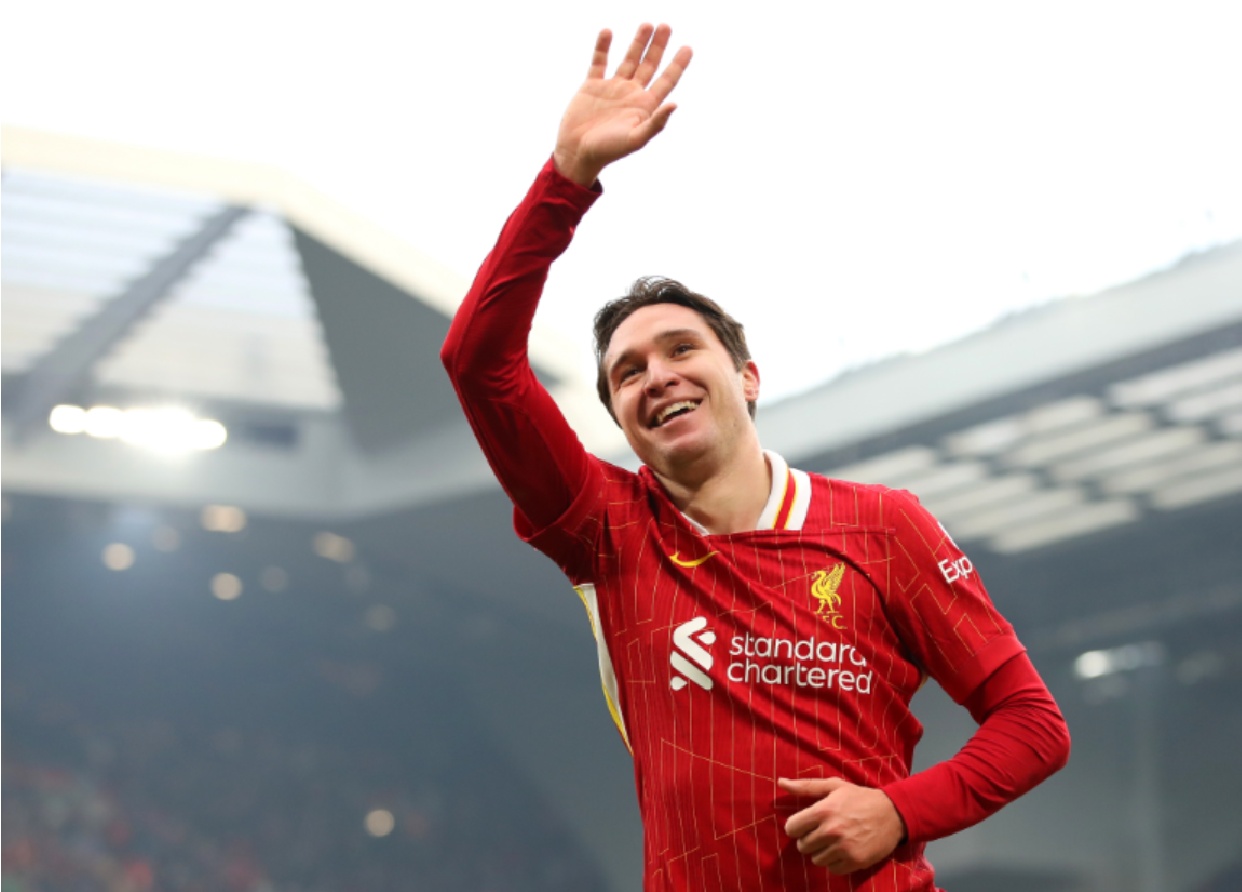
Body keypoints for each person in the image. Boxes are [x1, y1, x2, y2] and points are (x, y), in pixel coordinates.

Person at [441, 23, 1070, 892]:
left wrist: (899, 811)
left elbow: (1033, 723)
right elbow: (478, 362)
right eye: (628, 373)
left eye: (681, 349)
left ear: (747, 376)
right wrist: (567, 179)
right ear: (621, 420)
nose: (657, 376)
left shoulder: (884, 527)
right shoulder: (605, 528)